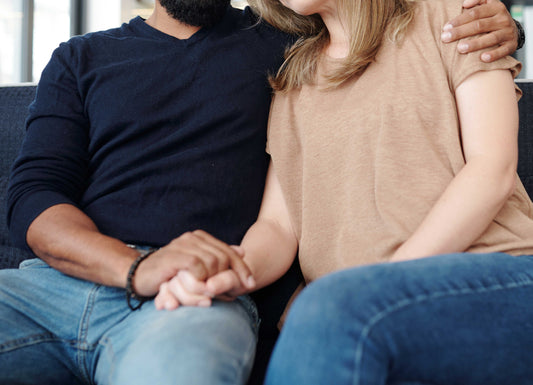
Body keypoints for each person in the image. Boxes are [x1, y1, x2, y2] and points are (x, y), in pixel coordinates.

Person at [0, 0, 522, 384]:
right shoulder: (290, 74)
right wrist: (169, 273)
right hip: (64, 283)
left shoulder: (288, 46)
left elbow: (488, 161)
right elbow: (276, 226)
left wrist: (505, 24)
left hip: (197, 302)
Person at [152, 1, 533, 385]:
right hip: (367, 317)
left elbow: (492, 170)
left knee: (327, 310)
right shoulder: (294, 77)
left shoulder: (453, 15)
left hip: (498, 273)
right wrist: (230, 272)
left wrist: (369, 286)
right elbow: (279, 226)